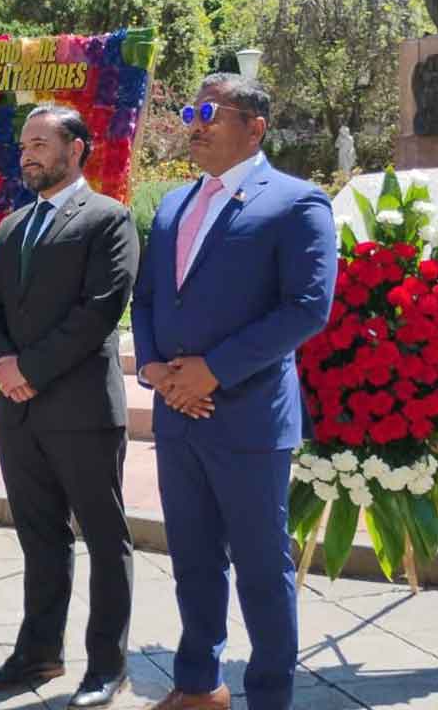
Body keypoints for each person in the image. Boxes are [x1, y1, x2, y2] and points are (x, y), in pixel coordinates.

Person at [131, 73, 337, 710]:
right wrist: (156, 371)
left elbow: (307, 307)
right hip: (177, 415)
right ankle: (198, 685)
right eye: (192, 110)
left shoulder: (298, 202)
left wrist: (212, 371)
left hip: (245, 417)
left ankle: (269, 696)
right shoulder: (171, 203)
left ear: (256, 127)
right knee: (192, 561)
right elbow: (148, 297)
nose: (195, 123)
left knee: (260, 568)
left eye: (210, 112)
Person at [0, 106, 139, 708]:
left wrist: (31, 369)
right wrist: (3, 365)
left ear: (77, 150)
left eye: (41, 143)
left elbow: (99, 310)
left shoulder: (108, 218)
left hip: (81, 409)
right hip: (19, 412)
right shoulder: (14, 225)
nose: (28, 154)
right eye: (24, 145)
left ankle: (107, 665)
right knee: (40, 537)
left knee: (103, 538)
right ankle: (39, 650)